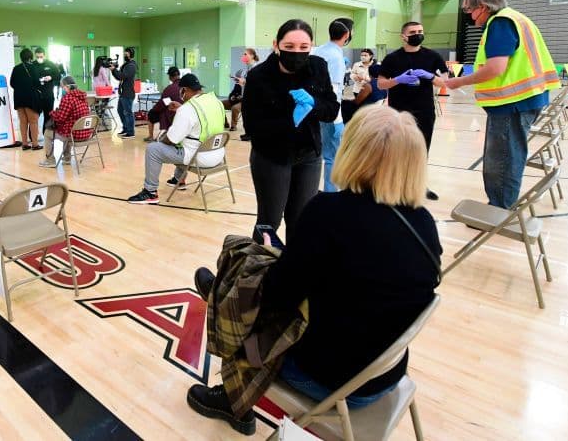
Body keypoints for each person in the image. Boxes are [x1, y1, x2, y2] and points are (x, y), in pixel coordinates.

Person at [187, 105, 441, 434]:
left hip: (331, 379)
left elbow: (276, 298)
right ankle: (221, 292)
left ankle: (232, 399)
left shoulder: (329, 213)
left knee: (245, 303)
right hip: (385, 371)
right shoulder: (424, 222)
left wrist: (272, 259)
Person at [445, 0, 560, 208]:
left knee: (503, 158)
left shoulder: (500, 23)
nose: (470, 16)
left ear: (483, 7)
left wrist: (459, 81)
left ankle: (499, 209)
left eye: (470, 10)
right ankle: (502, 204)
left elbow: (495, 68)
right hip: (526, 98)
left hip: (513, 102)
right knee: (510, 153)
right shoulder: (517, 19)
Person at [241, 20, 339, 239]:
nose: (297, 52)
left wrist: (314, 103)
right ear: (276, 45)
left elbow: (331, 109)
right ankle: (258, 269)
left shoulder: (317, 67)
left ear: (311, 46)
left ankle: (293, 270)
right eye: (290, 47)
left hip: (309, 154)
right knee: (269, 220)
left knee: (301, 219)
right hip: (272, 156)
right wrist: (290, 121)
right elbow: (252, 127)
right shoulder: (259, 77)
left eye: (304, 47)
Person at [127, 73, 226, 204]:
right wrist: (182, 109)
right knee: (186, 141)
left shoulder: (187, 109)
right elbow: (202, 119)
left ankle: (150, 192)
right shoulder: (216, 102)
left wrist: (160, 141)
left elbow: (172, 139)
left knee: (154, 149)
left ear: (184, 90)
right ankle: (179, 180)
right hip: (218, 155)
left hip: (199, 158)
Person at [378, 21, 450, 201]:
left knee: (421, 150)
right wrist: (398, 80)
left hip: (424, 111)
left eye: (420, 31)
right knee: (397, 149)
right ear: (403, 36)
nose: (417, 34)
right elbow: (381, 83)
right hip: (399, 113)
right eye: (413, 32)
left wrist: (431, 76)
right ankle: (394, 185)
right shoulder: (392, 58)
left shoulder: (433, 56)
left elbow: (446, 82)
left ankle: (418, 186)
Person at [313, 18, 353, 192]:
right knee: (332, 157)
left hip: (313, 109)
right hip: (330, 113)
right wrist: (337, 119)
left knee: (315, 155)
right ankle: (331, 193)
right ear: (346, 35)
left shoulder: (318, 50)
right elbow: (335, 90)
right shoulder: (336, 57)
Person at [39, 76, 93, 168]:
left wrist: (52, 113)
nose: (62, 89)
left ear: (67, 87)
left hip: (74, 135)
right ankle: (67, 158)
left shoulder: (68, 99)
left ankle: (50, 160)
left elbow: (60, 118)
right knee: (67, 127)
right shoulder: (83, 97)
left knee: (48, 133)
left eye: (62, 87)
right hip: (86, 133)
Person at [9, 48, 41, 150]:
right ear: (31, 57)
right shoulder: (34, 67)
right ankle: (35, 144)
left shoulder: (16, 68)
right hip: (30, 98)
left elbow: (12, 83)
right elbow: (37, 82)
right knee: (33, 121)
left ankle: (25, 144)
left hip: (19, 98)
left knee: (23, 122)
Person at [222, 48, 259, 133]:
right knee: (220, 104)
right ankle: (225, 123)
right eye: (243, 54)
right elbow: (238, 87)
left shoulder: (257, 69)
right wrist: (232, 96)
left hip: (250, 100)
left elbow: (257, 85)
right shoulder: (245, 70)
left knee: (235, 108)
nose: (243, 56)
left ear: (252, 56)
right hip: (241, 97)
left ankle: (234, 126)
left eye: (245, 54)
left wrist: (245, 82)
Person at [144, 66, 182, 142]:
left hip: (172, 112)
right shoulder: (185, 87)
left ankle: (151, 136)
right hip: (183, 110)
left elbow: (162, 103)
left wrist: (154, 109)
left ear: (170, 77)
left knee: (151, 114)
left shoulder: (170, 88)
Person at [111, 47, 138, 139]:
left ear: (131, 54)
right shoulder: (127, 65)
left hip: (128, 93)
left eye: (126, 53)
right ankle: (126, 129)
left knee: (128, 112)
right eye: (124, 53)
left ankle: (131, 133)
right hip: (123, 93)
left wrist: (113, 70)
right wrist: (114, 69)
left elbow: (122, 76)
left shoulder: (131, 66)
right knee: (120, 111)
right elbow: (119, 77)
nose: (124, 55)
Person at [32, 46, 61, 128]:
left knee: (48, 117)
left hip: (48, 95)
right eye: (37, 57)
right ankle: (32, 137)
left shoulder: (50, 64)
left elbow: (58, 75)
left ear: (44, 55)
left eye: (41, 57)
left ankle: (46, 135)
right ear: (35, 56)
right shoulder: (32, 65)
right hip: (36, 96)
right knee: (34, 117)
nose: (39, 58)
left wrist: (51, 77)